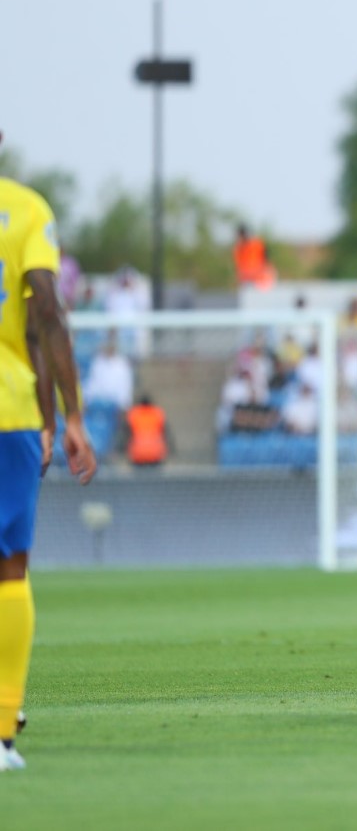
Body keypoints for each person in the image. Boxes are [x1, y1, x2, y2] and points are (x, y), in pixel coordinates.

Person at [0, 144, 98, 772]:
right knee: (10, 567)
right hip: (7, 407)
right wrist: (69, 417)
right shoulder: (26, 209)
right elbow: (46, 314)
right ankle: (3, 728)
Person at [124, 395, 170, 466]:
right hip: (155, 451)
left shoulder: (134, 414)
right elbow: (164, 433)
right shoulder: (157, 413)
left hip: (137, 451)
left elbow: (127, 434)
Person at [233, 224, 275, 290]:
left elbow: (266, 258)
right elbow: (238, 265)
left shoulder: (257, 244)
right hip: (246, 279)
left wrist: (267, 270)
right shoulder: (239, 247)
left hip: (261, 279)